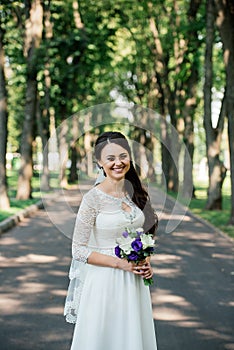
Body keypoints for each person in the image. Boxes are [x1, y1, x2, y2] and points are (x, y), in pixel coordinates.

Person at [64, 131, 158, 350]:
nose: (118, 163)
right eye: (111, 158)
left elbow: (142, 232)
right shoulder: (92, 199)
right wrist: (120, 263)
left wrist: (146, 261)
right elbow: (78, 250)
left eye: (123, 156)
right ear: (99, 162)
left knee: (132, 338)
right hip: (104, 282)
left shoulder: (134, 193)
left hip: (134, 283)